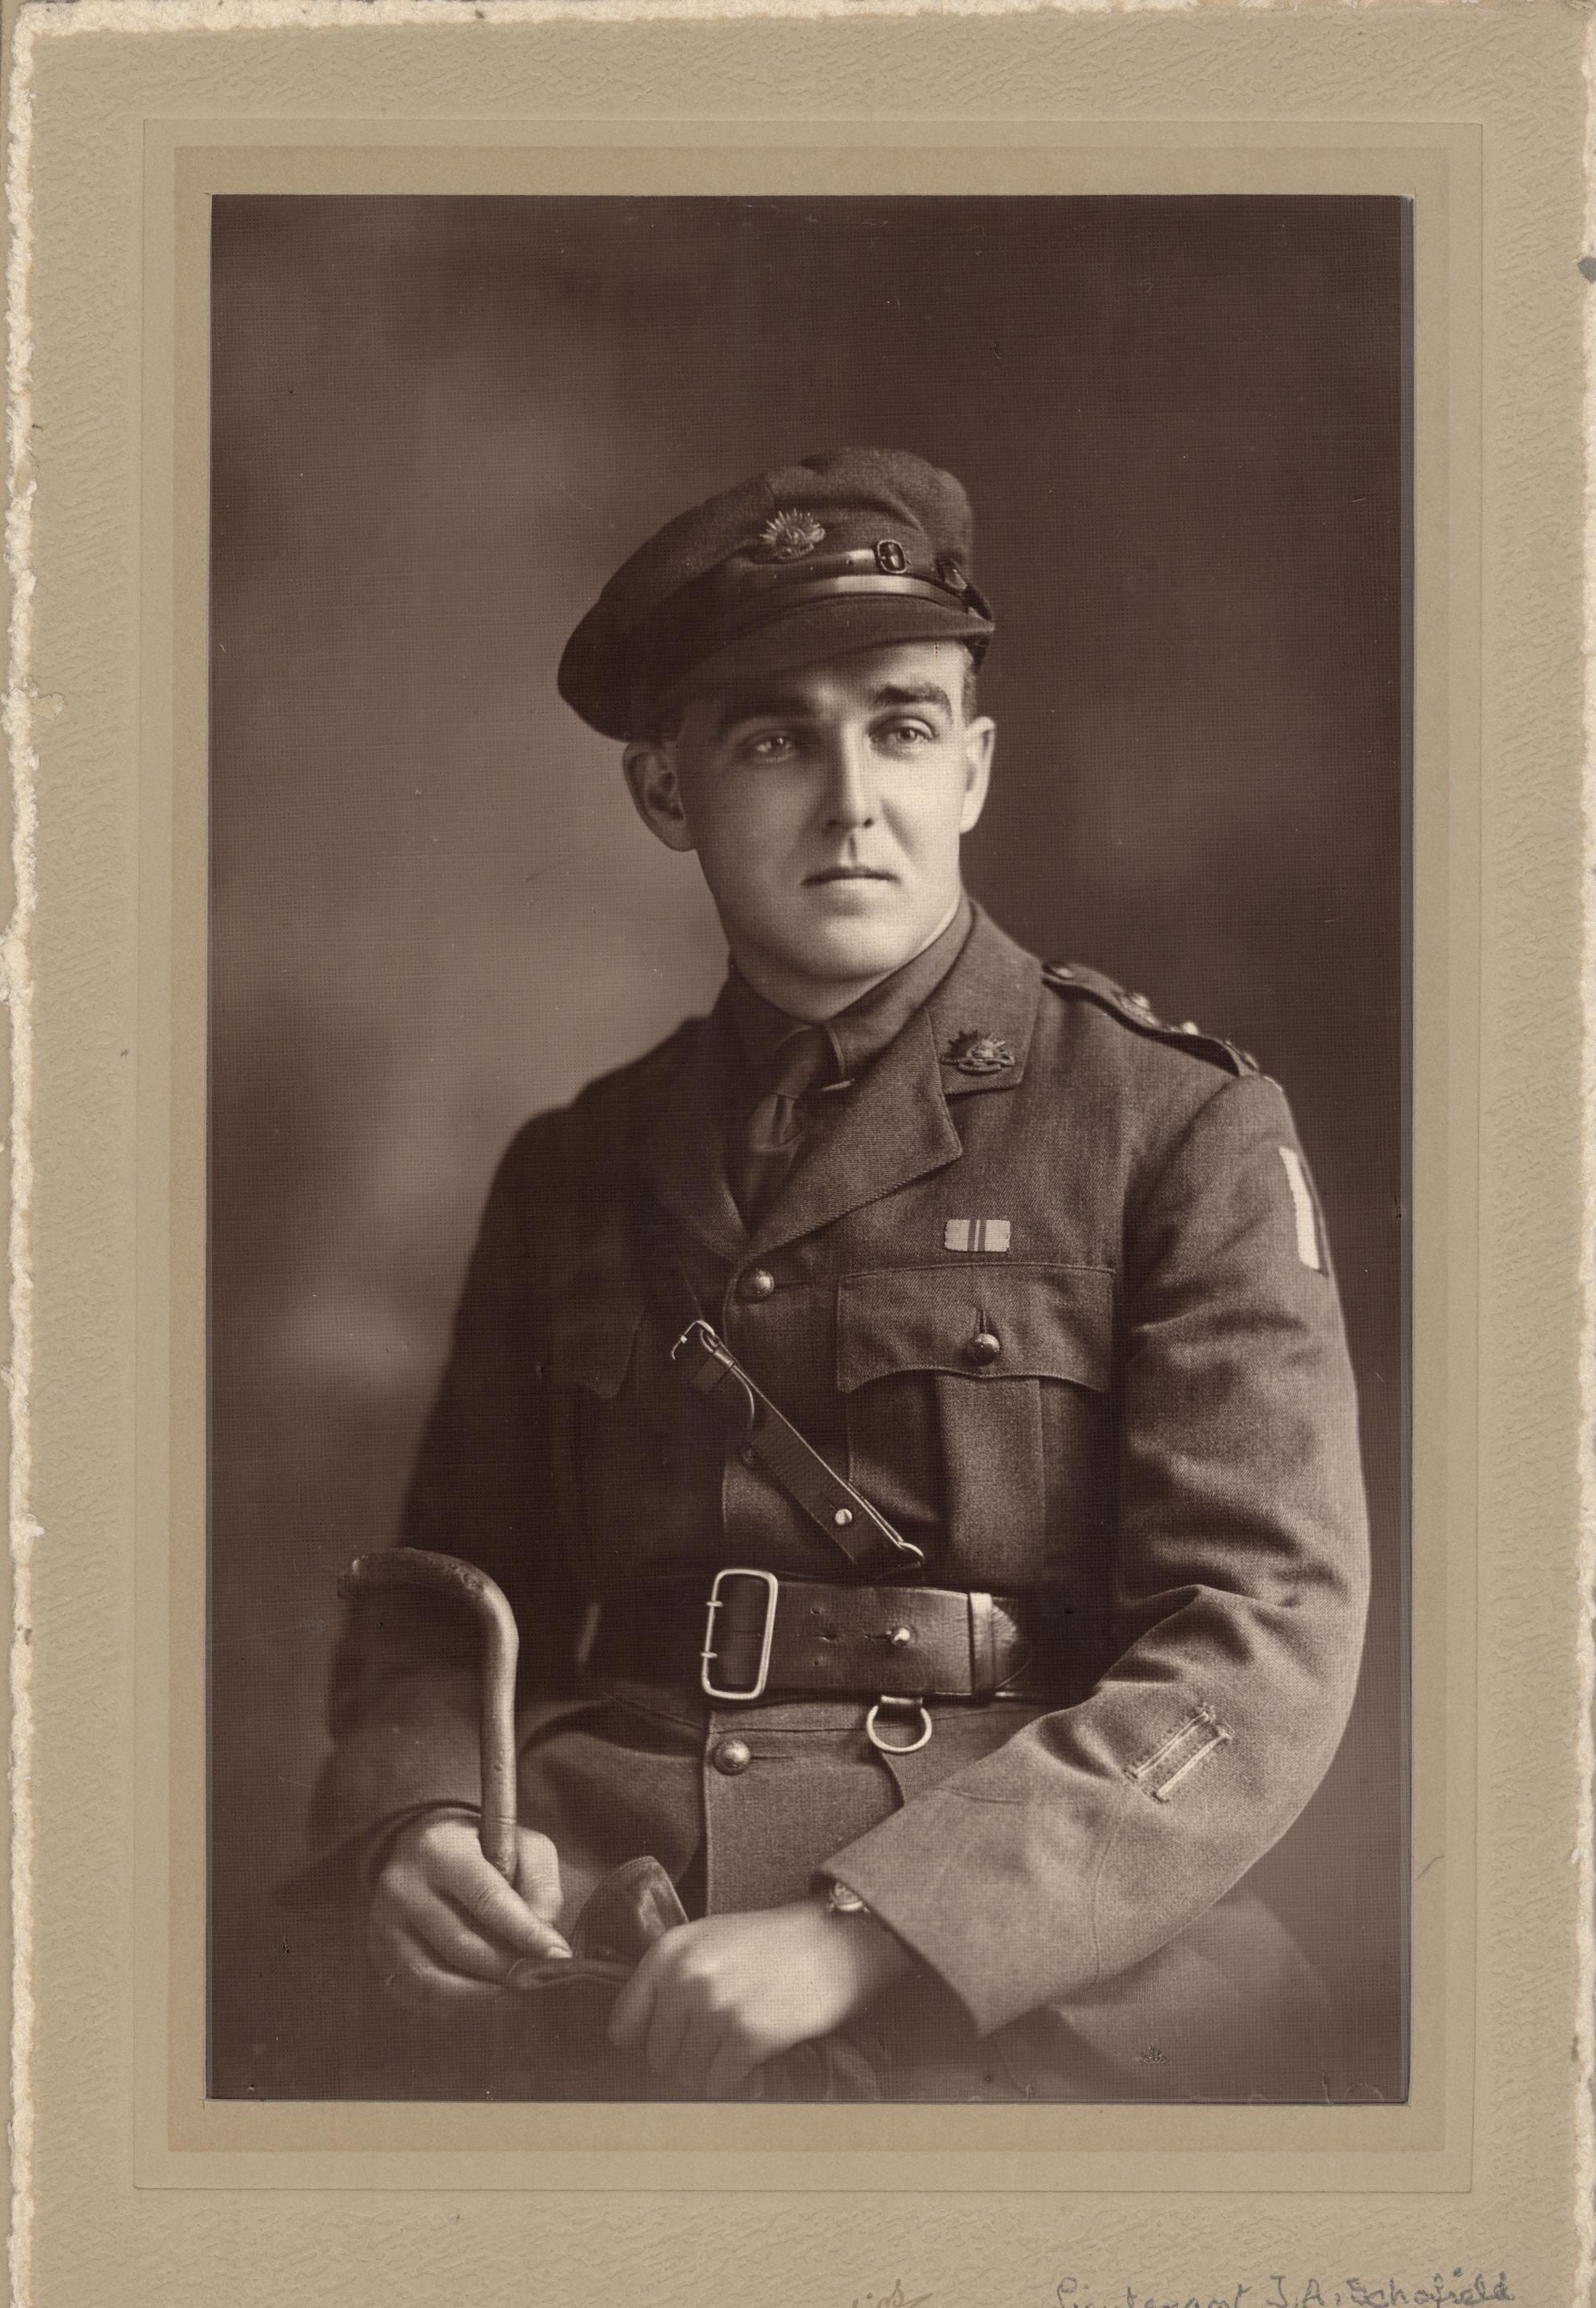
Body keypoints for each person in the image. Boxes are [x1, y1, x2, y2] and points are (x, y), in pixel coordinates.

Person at [307, 446, 1372, 2106]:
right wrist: (424, 1815)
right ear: (666, 794)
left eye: (901, 726)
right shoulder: (574, 1166)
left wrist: (872, 1933)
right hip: (597, 1916)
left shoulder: (1173, 1127)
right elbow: (450, 1594)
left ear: (974, 768)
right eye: (772, 739)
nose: (851, 800)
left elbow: (1259, 1640)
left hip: (1020, 1962)